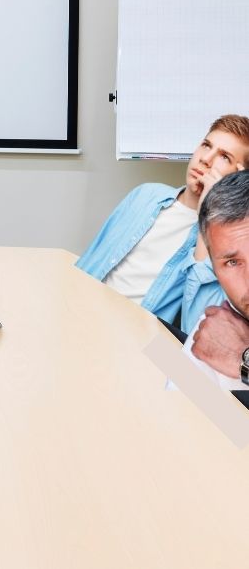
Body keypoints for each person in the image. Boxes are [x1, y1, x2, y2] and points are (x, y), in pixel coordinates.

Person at [76, 115, 249, 334]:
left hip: (130, 338)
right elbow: (91, 260)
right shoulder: (145, 194)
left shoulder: (224, 243)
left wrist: (212, 210)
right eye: (206, 145)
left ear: (238, 176)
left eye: (224, 157)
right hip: (82, 312)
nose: (206, 159)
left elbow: (197, 328)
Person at [186, 171, 249, 389]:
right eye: (232, 262)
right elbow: (204, 419)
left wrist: (243, 361)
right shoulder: (209, 335)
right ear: (213, 268)